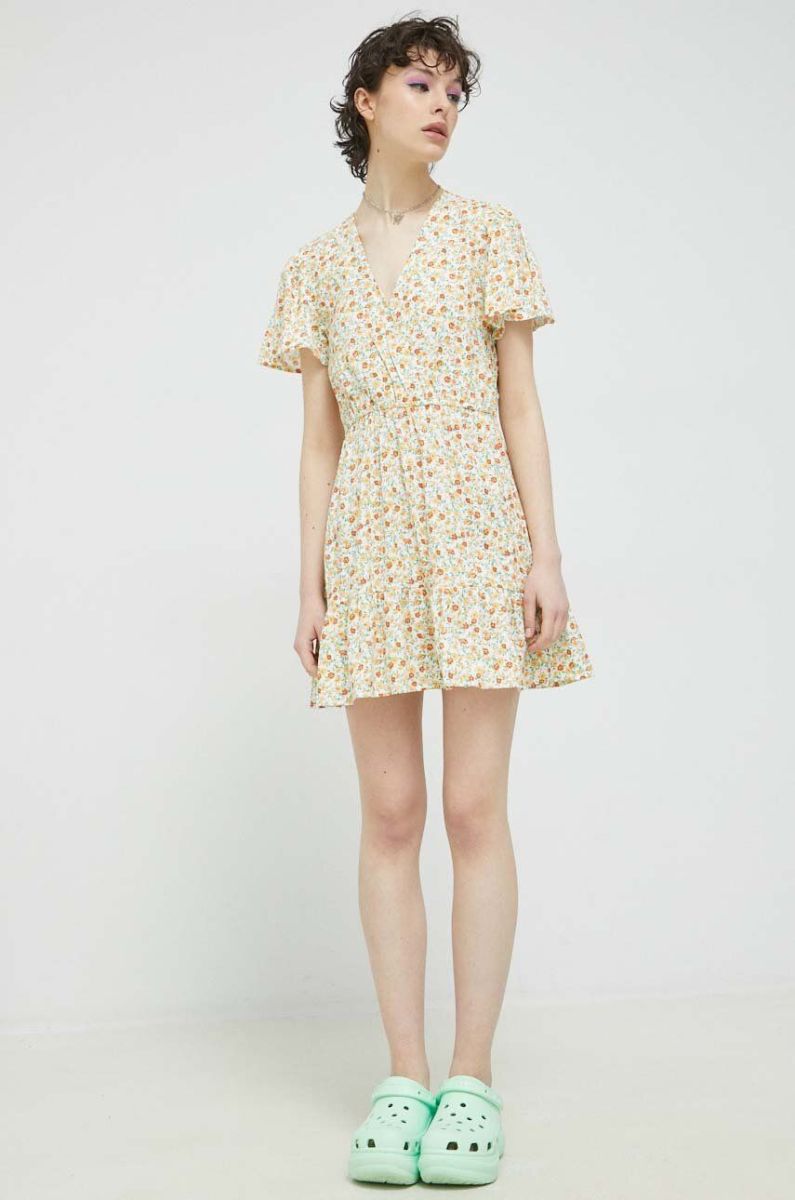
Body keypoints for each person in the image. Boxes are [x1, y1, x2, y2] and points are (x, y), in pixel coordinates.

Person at [256, 14, 594, 1186]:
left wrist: (545, 556)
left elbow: (522, 404)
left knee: (471, 808)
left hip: (478, 529)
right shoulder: (314, 267)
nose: (442, 105)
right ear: (366, 100)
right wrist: (308, 580)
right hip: (371, 539)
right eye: (420, 83)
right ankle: (402, 1078)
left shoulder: (490, 232)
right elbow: (318, 440)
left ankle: (473, 1078)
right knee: (391, 813)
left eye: (455, 90)